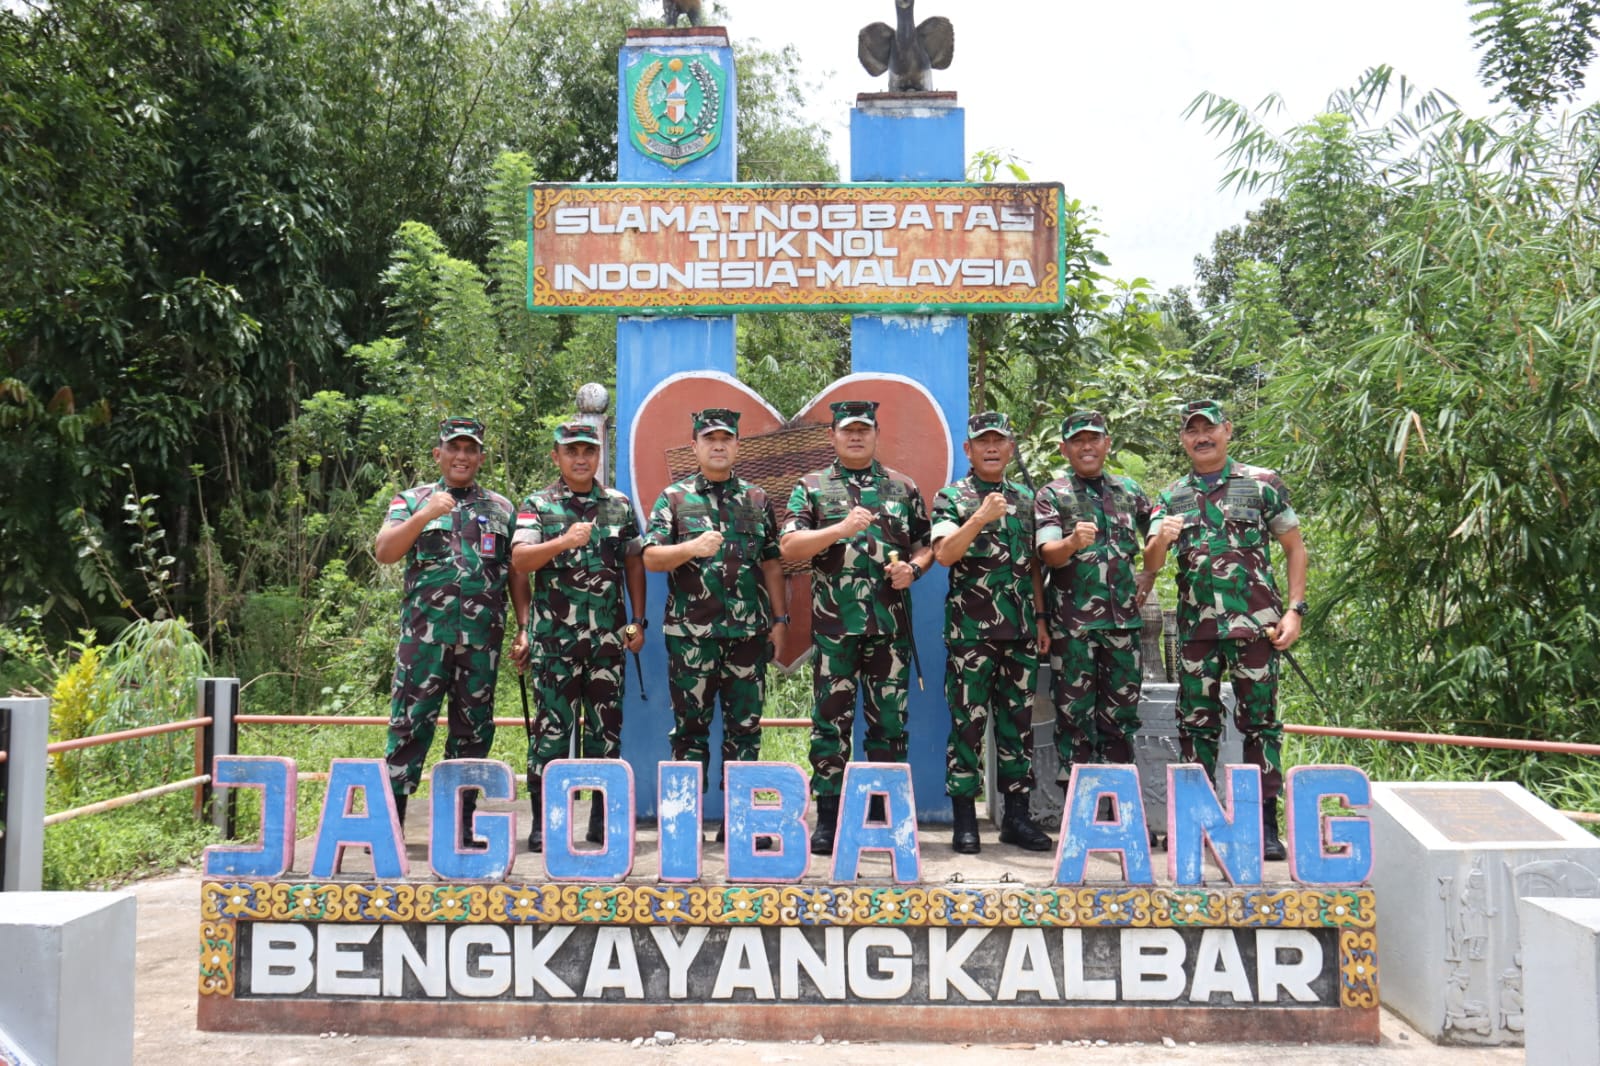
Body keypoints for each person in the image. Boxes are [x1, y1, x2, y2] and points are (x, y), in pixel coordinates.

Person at [1143, 399, 1308, 861]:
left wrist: (1295, 610)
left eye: (1209, 428)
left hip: (1256, 629)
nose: (1202, 436)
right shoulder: (1171, 495)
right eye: (1192, 430)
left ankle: (1264, 825)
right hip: (1197, 632)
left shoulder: (1261, 485)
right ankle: (1199, 821)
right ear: (1183, 439)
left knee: (1261, 725)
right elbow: (1151, 564)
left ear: (1227, 431)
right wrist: (1161, 539)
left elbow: (1295, 548)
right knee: (1196, 725)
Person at [780, 400, 933, 855]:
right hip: (834, 630)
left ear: (876, 435)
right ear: (832, 435)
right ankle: (827, 817)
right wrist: (839, 529)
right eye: (847, 430)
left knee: (889, 725)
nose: (855, 436)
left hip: (889, 631)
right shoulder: (811, 487)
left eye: (864, 430)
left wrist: (914, 570)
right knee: (830, 724)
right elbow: (789, 546)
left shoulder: (903, 488)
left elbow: (927, 546)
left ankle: (882, 817)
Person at [642, 408, 788, 843]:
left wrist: (780, 620)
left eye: (726, 438)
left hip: (747, 636)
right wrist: (691, 547)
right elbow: (651, 557)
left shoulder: (757, 500)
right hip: (691, 638)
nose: (719, 445)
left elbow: (772, 563)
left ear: (737, 445)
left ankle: (741, 825)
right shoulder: (674, 498)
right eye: (710, 439)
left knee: (745, 731)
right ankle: (684, 826)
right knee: (689, 732)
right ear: (696, 446)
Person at [377, 417, 514, 847]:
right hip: (424, 641)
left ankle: (462, 826)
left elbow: (515, 574)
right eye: (453, 448)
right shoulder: (412, 499)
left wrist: (524, 629)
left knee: (473, 731)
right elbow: (385, 551)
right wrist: (424, 515)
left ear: (480, 457)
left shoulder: (501, 508)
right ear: (438, 454)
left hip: (480, 642)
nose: (462, 456)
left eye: (470, 449)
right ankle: (392, 827)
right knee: (409, 725)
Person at [511, 421, 646, 852]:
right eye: (571, 451)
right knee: (552, 732)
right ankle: (544, 821)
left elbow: (633, 565)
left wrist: (636, 622)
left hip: (608, 642)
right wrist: (563, 541)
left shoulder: (619, 505)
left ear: (598, 455)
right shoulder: (537, 505)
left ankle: (601, 822)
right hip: (555, 642)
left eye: (588, 450)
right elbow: (520, 561)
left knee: (605, 733)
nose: (581, 458)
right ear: (557, 457)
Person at [930, 412, 1052, 854]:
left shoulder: (1026, 497)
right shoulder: (952, 497)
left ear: (1011, 447)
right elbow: (944, 554)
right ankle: (966, 820)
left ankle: (1016, 818)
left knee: (1017, 726)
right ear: (969, 450)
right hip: (971, 634)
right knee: (967, 725)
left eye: (1000, 440)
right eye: (983, 441)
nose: (992, 448)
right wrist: (979, 517)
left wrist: (1040, 618)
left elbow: (1034, 565)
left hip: (1019, 632)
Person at [1034, 410, 1155, 790]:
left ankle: (1119, 808)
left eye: (1094, 438)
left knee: (1121, 718)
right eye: (1077, 440)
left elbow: (1156, 543)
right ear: (1064, 448)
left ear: (1107, 443)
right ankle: (1079, 811)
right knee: (1074, 717)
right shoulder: (1053, 494)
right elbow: (1047, 553)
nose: (1086, 446)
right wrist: (1071, 542)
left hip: (1123, 628)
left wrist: (1149, 573)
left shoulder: (1130, 491)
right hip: (1074, 629)